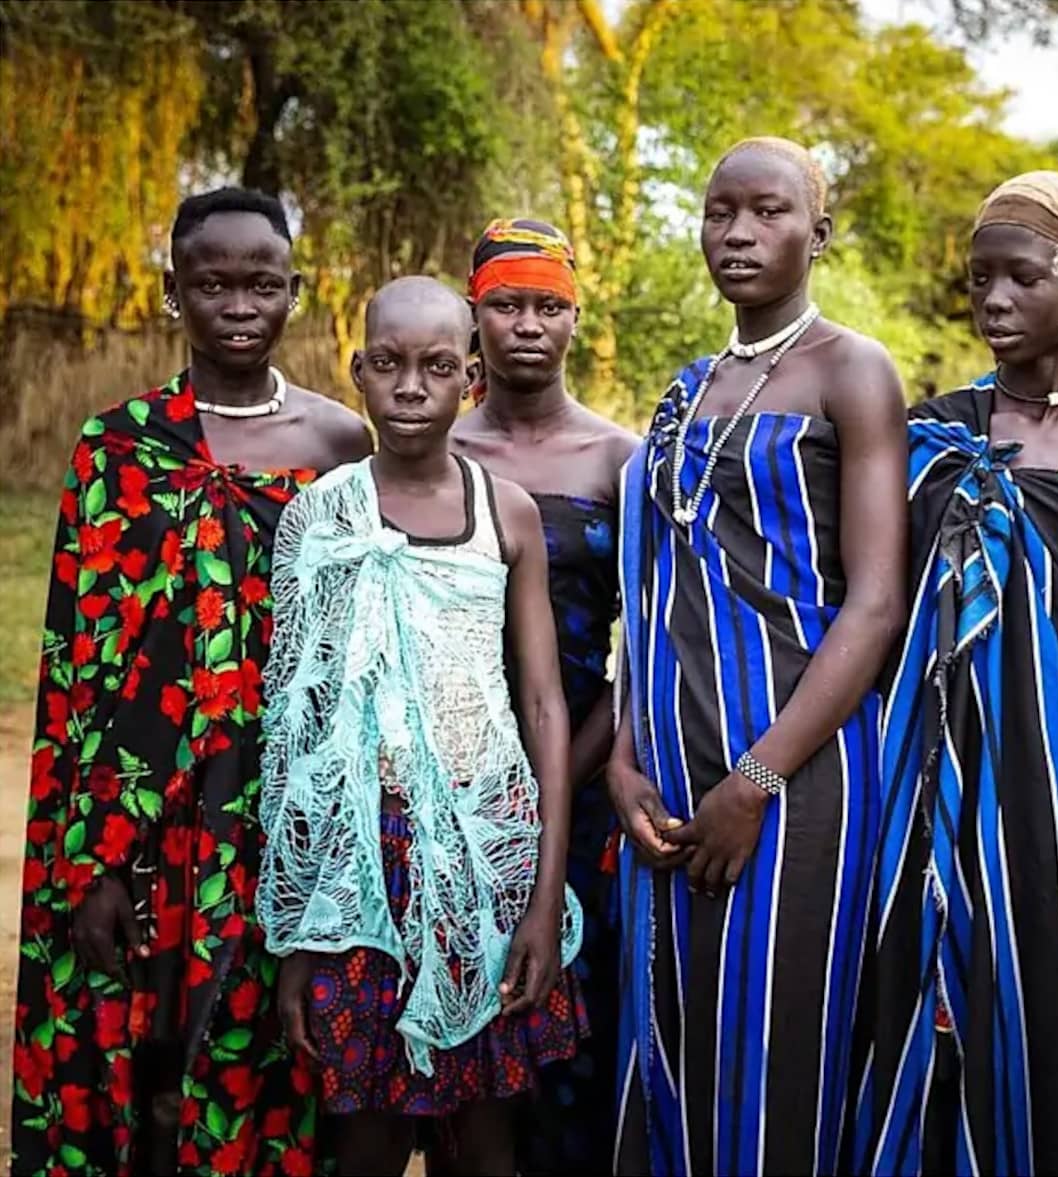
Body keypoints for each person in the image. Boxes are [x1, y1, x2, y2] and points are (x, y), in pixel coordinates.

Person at [10, 186, 371, 1176]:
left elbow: (350, 655)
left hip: (272, 810)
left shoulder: (341, 448)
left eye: (263, 283)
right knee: (142, 1046)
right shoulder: (116, 447)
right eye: (213, 284)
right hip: (136, 816)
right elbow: (77, 667)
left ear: (295, 291)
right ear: (174, 291)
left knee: (259, 1047)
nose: (240, 304)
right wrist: (91, 858)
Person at [850, 170, 1058, 1177]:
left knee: (1046, 1042)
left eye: (1018, 277)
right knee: (903, 1055)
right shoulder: (927, 430)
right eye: (976, 278)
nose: (990, 300)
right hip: (909, 792)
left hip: (1056, 799)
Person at [609, 137, 908, 1176]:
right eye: (717, 211)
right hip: (671, 778)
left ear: (816, 234)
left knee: (779, 1045)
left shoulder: (851, 370)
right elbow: (648, 597)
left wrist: (759, 775)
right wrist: (617, 759)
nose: (736, 234)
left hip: (798, 773)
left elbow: (872, 603)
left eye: (768, 212)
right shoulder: (685, 389)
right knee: (677, 1039)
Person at [261, 276, 587, 1176]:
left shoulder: (504, 511)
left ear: (470, 380)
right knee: (363, 1133)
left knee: (485, 1137)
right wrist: (300, 931)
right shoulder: (322, 513)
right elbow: (299, 727)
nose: (412, 387)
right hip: (361, 868)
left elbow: (543, 704)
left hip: (487, 855)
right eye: (391, 366)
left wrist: (541, 892)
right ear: (357, 371)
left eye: (437, 367)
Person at [451, 218, 636, 1174]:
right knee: (465, 1068)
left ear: (576, 316)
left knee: (574, 1048)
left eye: (549, 306)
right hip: (448, 795)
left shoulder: (620, 460)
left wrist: (558, 779)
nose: (527, 324)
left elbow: (643, 649)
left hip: (584, 774)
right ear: (472, 313)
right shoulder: (428, 446)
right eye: (506, 304)